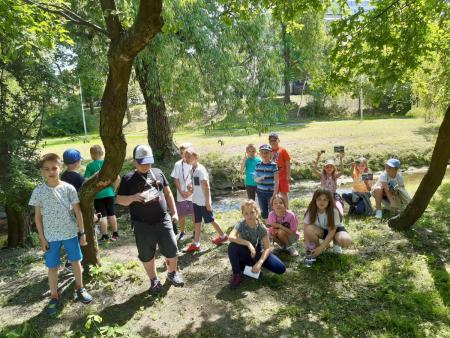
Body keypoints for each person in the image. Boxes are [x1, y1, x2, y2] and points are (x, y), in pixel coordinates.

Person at [29, 153, 92, 316]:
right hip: (50, 237)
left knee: (76, 262)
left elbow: (78, 212)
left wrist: (82, 233)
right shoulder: (38, 191)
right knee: (52, 267)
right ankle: (54, 296)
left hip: (70, 233)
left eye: (54, 168)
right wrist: (42, 238)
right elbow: (37, 217)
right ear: (42, 171)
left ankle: (80, 288)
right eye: (47, 169)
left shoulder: (68, 188)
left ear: (60, 168)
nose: (51, 171)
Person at [116, 144, 184, 293]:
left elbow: (168, 193)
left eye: (148, 162)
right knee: (146, 255)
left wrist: (174, 213)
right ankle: (154, 280)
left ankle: (172, 273)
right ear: (135, 162)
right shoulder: (128, 179)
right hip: (142, 224)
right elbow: (119, 200)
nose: (146, 165)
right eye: (142, 163)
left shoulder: (158, 173)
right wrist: (133, 198)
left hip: (163, 219)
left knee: (172, 249)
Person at [228, 199, 286, 288]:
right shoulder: (241, 224)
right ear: (243, 214)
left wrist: (260, 263)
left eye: (252, 212)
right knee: (232, 246)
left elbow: (268, 248)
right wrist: (248, 244)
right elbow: (231, 237)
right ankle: (237, 274)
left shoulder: (261, 227)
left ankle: (248, 268)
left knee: (280, 268)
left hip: (257, 251)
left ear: (256, 213)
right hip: (244, 251)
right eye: (246, 213)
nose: (249, 215)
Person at [183, 147, 228, 252]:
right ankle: (196, 243)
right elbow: (196, 185)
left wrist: (208, 202)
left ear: (196, 157)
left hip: (203, 202)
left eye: (189, 157)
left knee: (210, 220)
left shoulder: (200, 170)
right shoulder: (192, 169)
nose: (187, 159)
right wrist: (191, 189)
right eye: (185, 157)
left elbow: (206, 187)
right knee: (197, 222)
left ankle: (223, 236)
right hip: (196, 201)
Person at [85, 145, 120, 242]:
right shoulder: (107, 164)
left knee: (102, 215)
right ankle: (115, 234)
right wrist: (114, 189)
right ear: (102, 153)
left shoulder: (90, 166)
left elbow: (86, 180)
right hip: (109, 193)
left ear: (92, 155)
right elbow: (118, 178)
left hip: (97, 194)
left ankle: (105, 236)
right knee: (112, 214)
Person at [304, 188, 352, 258]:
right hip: (322, 231)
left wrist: (321, 249)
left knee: (345, 241)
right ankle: (316, 248)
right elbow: (305, 231)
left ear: (329, 201)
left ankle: (335, 244)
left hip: (335, 231)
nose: (322, 202)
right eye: (319, 199)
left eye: (325, 199)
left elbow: (331, 232)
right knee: (309, 229)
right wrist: (308, 247)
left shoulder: (334, 211)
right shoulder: (311, 211)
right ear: (315, 200)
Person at [171, 143, 195, 242]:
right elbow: (175, 180)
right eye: (181, 153)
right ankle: (182, 232)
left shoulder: (193, 164)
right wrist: (181, 192)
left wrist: (190, 192)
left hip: (193, 194)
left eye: (185, 153)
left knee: (195, 213)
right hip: (181, 195)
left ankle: (195, 230)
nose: (183, 156)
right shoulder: (177, 164)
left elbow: (196, 180)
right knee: (181, 214)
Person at [312, 151, 345, 215]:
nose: (329, 168)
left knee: (337, 207)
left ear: (333, 168)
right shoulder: (322, 175)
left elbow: (342, 171)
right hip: (323, 195)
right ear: (324, 168)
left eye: (331, 167)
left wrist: (341, 159)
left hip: (333, 195)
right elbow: (314, 170)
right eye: (327, 167)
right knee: (320, 207)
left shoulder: (334, 176)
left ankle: (339, 215)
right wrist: (318, 157)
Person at [254, 144, 279, 221]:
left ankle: (274, 224)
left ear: (270, 153)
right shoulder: (258, 165)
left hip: (270, 192)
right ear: (259, 154)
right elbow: (255, 179)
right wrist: (258, 179)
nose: (264, 154)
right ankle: (267, 224)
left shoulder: (273, 165)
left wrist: (275, 193)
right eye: (262, 152)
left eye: (266, 152)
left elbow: (277, 180)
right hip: (260, 192)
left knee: (272, 209)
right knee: (263, 209)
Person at [268, 132, 291, 207]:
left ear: (278, 140)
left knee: (284, 193)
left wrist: (288, 175)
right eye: (271, 140)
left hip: (282, 174)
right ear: (269, 142)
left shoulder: (283, 150)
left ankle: (286, 208)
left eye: (275, 140)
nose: (273, 142)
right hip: (273, 175)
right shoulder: (268, 151)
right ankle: (276, 209)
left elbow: (287, 163)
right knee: (275, 193)